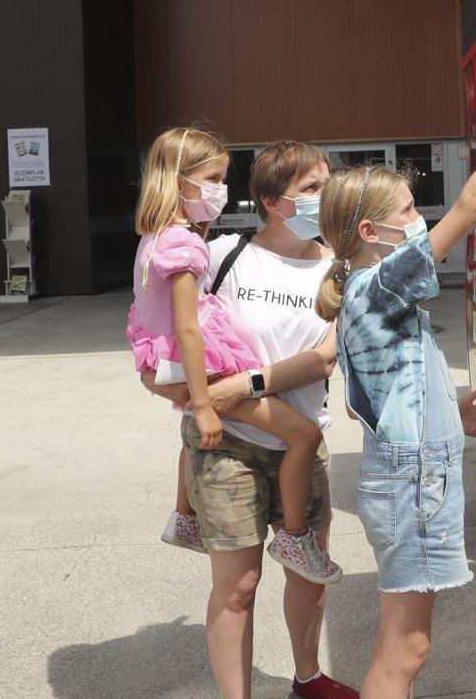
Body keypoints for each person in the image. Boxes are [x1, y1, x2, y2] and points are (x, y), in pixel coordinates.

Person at [315, 44, 476, 698]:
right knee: (406, 652)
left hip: (399, 482)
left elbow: (378, 402)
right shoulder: (382, 282)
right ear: (372, 230)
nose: (418, 218)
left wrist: (453, 415)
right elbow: (475, 206)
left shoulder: (361, 291)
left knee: (402, 644)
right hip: (406, 493)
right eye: (406, 212)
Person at [141, 141, 357, 699]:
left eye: (327, 185)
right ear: (270, 200)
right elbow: (167, 327)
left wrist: (246, 384)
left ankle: (307, 678)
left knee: (308, 577)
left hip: (303, 444)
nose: (324, 197)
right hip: (228, 445)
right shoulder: (222, 255)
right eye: (310, 189)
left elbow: (327, 356)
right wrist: (164, 379)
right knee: (237, 588)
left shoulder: (341, 266)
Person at [127, 127, 341, 585]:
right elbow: (185, 326)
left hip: (186, 364)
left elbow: (326, 358)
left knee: (200, 431)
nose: (219, 190)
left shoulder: (159, 236)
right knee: (301, 434)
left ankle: (184, 516)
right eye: (310, 188)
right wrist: (203, 401)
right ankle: (294, 536)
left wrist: (182, 385)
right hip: (208, 373)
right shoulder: (198, 248)